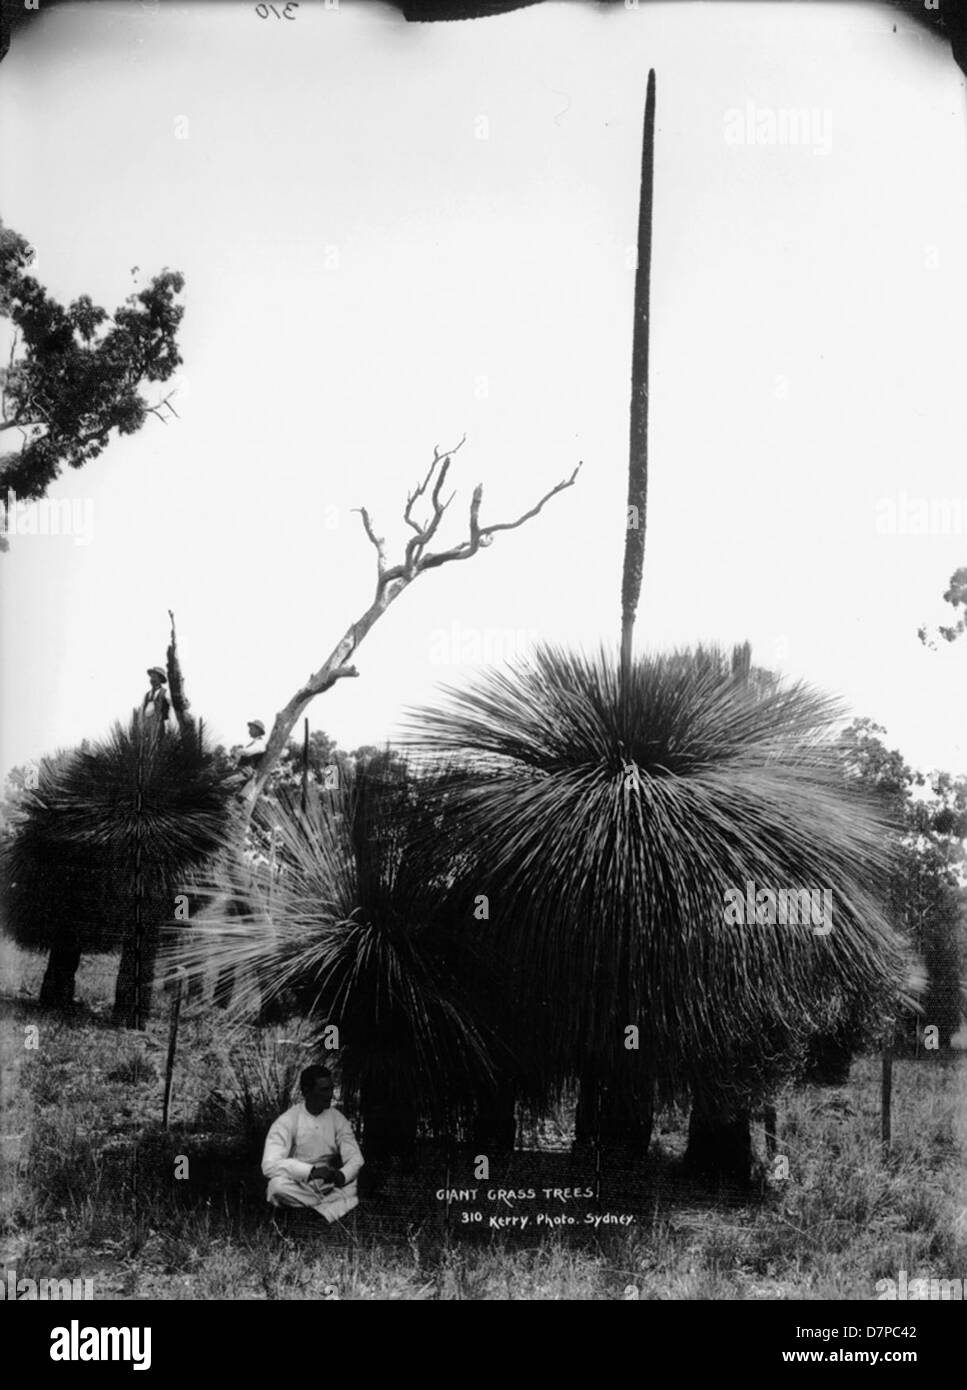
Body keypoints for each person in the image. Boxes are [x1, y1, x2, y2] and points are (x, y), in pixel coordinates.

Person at [262, 1065, 364, 1223]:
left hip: (329, 1186)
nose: (330, 1095)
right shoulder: (288, 1120)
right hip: (300, 1185)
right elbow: (269, 1165)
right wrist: (310, 1171)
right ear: (307, 1092)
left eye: (331, 1089)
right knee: (276, 1187)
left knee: (354, 1188)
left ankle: (309, 1215)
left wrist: (342, 1175)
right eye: (324, 1090)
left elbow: (356, 1158)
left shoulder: (337, 1118)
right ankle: (323, 1214)